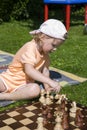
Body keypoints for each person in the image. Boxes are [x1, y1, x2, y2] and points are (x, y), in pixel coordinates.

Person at [0, 19, 67, 101]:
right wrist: (50, 81)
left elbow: (45, 72)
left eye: (57, 46)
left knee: (35, 90)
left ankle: (4, 96)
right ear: (43, 37)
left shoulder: (45, 55)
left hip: (24, 85)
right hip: (8, 80)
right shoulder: (30, 47)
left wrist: (47, 87)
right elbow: (29, 70)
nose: (55, 49)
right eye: (53, 45)